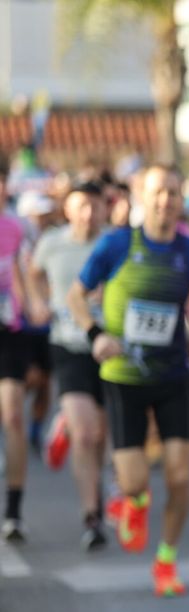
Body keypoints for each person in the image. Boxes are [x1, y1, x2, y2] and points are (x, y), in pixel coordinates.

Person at [67, 163, 189, 596]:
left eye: (174, 193)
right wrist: (96, 334)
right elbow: (76, 295)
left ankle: (166, 561)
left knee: (179, 477)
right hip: (123, 377)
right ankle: (134, 500)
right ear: (141, 197)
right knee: (135, 480)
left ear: (181, 200)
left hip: (173, 374)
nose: (166, 201)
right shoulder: (117, 244)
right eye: (158, 192)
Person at [28, 181, 109, 548]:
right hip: (69, 345)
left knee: (102, 438)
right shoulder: (52, 243)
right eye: (82, 206)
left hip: (109, 348)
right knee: (85, 433)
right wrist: (39, 301)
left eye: (95, 205)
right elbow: (32, 275)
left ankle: (100, 495)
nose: (89, 213)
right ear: (68, 210)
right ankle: (91, 515)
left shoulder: (114, 244)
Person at [0, 163, 45, 542]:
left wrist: (33, 302)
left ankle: (13, 510)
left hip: (9, 333)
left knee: (12, 415)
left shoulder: (17, 228)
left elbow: (26, 275)